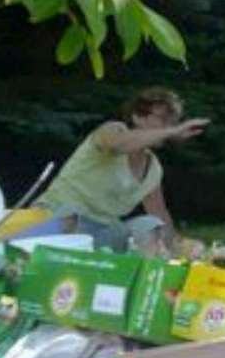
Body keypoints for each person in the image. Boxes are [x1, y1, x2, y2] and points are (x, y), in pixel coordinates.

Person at [30, 86, 206, 253]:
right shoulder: (112, 130)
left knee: (149, 225)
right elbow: (117, 145)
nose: (170, 125)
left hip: (98, 234)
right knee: (69, 216)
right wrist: (172, 131)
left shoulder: (153, 168)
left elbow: (160, 215)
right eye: (164, 119)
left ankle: (151, 273)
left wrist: (182, 247)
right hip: (53, 218)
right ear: (137, 117)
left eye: (173, 121)